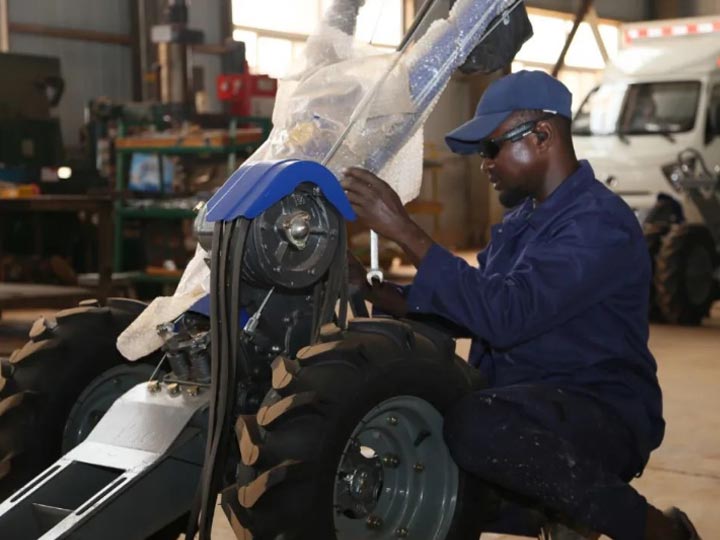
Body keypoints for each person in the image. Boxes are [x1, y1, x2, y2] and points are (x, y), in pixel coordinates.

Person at [342, 70, 701, 540]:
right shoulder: (522, 222)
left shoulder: (598, 224)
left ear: (543, 136)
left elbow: (506, 316)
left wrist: (406, 231)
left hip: (599, 409)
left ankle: (658, 531)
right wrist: (376, 292)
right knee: (432, 452)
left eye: (491, 148)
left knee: (474, 426)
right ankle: (563, 513)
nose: (484, 164)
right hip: (525, 403)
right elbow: (475, 305)